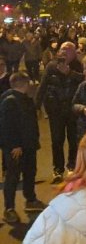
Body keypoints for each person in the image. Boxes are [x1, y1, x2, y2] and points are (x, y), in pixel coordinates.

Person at [36, 48, 84, 183]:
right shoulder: (51, 66)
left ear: (73, 54)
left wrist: (70, 73)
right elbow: (43, 85)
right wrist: (37, 106)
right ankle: (57, 170)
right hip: (56, 109)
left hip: (73, 109)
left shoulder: (78, 66)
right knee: (57, 140)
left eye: (67, 51)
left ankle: (72, 166)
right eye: (62, 50)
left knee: (73, 140)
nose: (63, 53)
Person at [2, 72, 43, 222]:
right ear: (24, 84)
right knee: (12, 177)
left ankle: (30, 199)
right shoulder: (10, 101)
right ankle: (9, 208)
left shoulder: (25, 99)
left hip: (29, 145)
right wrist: (15, 145)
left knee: (30, 172)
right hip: (16, 148)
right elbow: (7, 126)